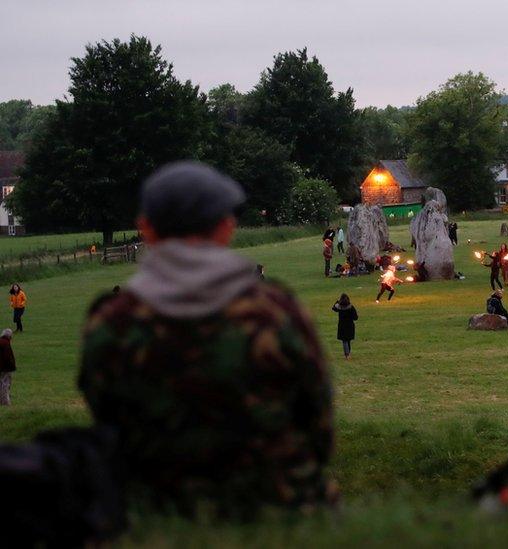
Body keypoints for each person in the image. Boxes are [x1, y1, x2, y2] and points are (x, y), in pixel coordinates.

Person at [77, 161, 334, 512]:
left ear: (146, 230)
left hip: (157, 513)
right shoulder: (275, 313)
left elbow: (107, 421)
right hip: (278, 508)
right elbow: (319, 429)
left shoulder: (111, 324)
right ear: (227, 228)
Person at [332, 294, 358, 359]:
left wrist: (337, 301)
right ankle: (348, 354)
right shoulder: (351, 307)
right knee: (348, 340)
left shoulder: (339, 307)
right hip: (350, 325)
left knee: (344, 340)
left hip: (342, 325)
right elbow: (355, 318)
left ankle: (347, 354)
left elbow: (334, 308)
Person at [0, 329, 14, 405]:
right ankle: (5, 402)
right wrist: (11, 366)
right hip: (5, 368)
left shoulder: (1, 341)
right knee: (5, 384)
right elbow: (7, 357)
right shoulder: (5, 343)